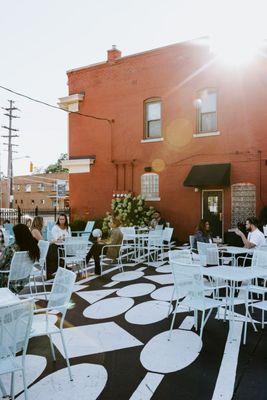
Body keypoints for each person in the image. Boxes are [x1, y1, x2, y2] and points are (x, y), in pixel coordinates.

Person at [0, 223, 40, 291]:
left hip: (7, 279)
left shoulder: (11, 249)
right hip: (23, 279)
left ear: (17, 235)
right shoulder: (33, 247)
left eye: (14, 234)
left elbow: (1, 264)